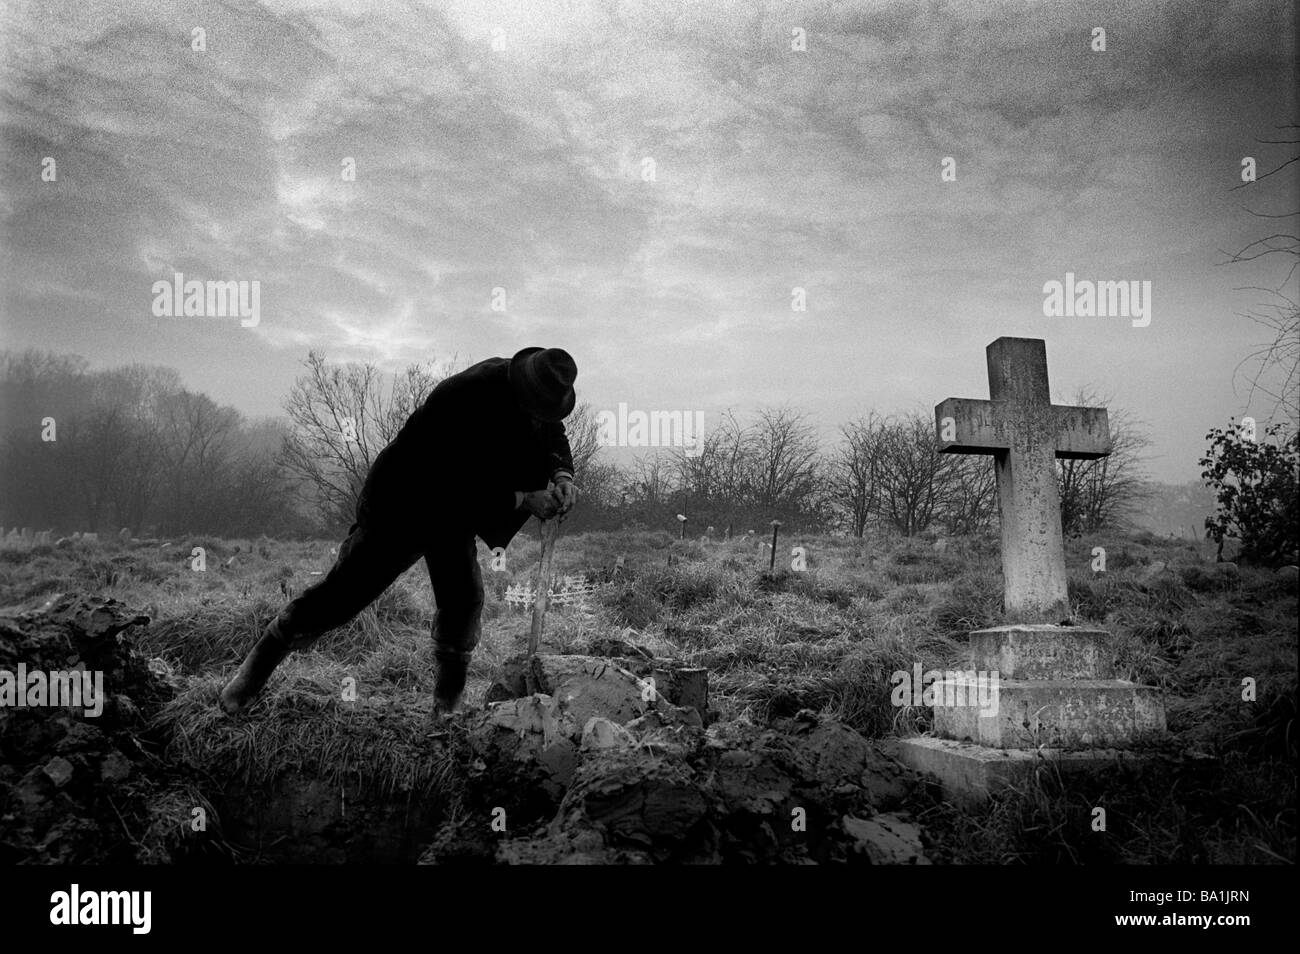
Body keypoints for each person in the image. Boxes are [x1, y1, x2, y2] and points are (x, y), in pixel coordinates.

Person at [219, 347, 579, 717]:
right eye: (538, 410)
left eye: (547, 412)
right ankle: (249, 678)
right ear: (520, 388)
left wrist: (562, 475)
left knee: (464, 601)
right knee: (340, 597)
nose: (542, 418)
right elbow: (451, 485)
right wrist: (522, 499)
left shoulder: (538, 397)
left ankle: (447, 709)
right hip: (403, 503)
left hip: (453, 517)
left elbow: (553, 433)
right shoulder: (460, 398)